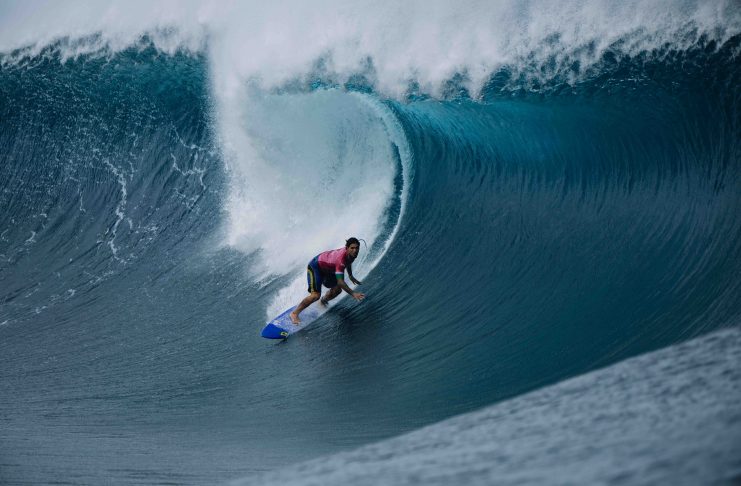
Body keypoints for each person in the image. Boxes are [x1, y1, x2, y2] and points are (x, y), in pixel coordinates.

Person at [289, 237, 365, 324]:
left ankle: (323, 301)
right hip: (315, 266)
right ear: (347, 248)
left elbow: (348, 262)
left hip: (328, 270)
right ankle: (294, 313)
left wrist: (350, 275)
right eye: (352, 248)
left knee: (337, 290)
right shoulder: (340, 259)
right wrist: (353, 293)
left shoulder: (352, 255)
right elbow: (341, 281)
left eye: (357, 248)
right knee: (315, 295)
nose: (355, 250)